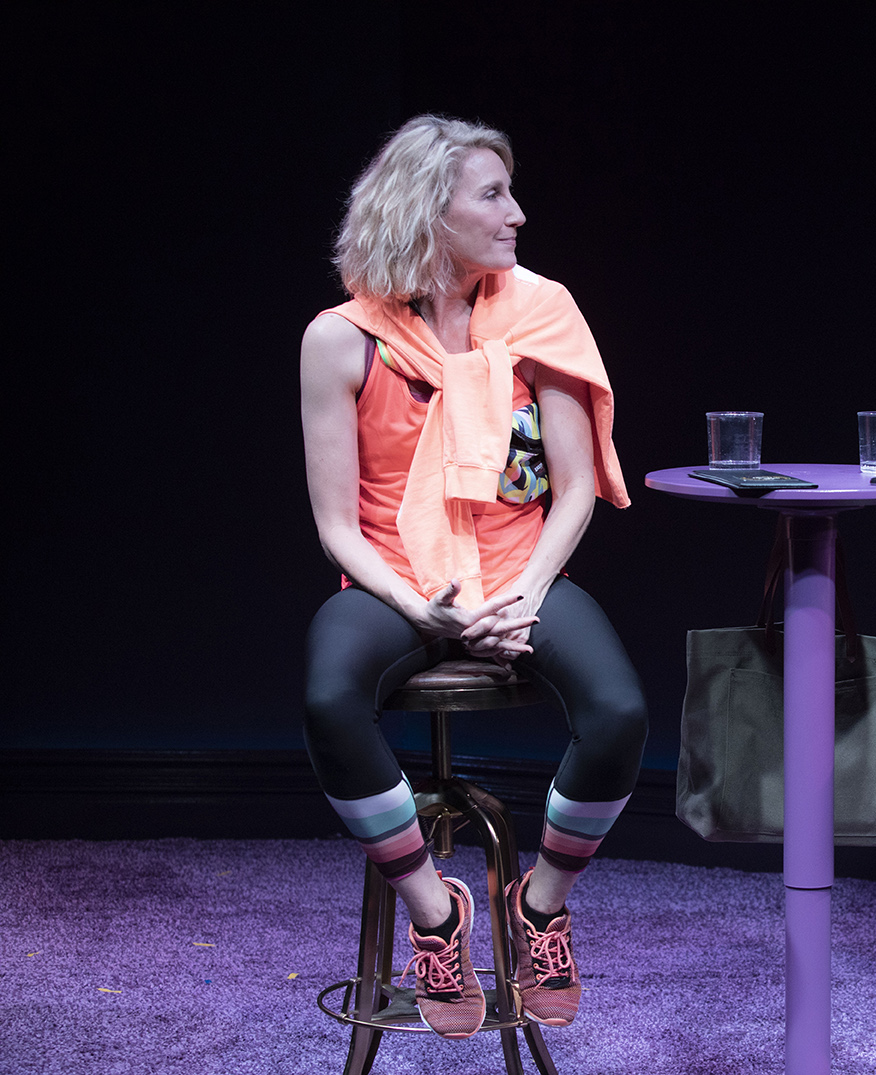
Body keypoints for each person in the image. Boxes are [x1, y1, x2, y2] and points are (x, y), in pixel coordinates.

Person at [300, 115, 648, 1039]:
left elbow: (573, 491)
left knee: (619, 712)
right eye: (492, 195)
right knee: (330, 696)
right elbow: (337, 525)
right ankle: (435, 911)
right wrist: (426, 609)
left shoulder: (539, 315)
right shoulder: (340, 340)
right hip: (399, 580)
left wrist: (529, 591)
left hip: (518, 568)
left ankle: (538, 904)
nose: (517, 214)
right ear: (427, 212)